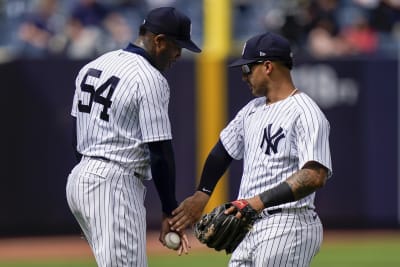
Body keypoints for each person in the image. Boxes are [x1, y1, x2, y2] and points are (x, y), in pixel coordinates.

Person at [170, 31, 332, 266]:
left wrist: (257, 202)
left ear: (267, 66)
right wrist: (202, 194)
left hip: (288, 224)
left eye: (247, 68)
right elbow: (221, 152)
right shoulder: (252, 110)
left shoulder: (305, 113)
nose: (244, 76)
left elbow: (314, 176)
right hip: (250, 224)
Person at [65, 7, 201, 267]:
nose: (178, 54)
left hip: (80, 180)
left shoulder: (95, 65)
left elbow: (76, 135)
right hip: (113, 183)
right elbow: (160, 150)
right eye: (176, 46)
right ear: (159, 41)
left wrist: (89, 199)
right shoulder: (150, 78)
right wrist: (170, 211)